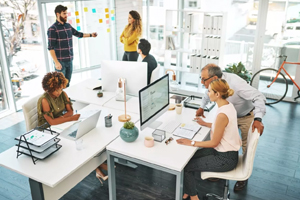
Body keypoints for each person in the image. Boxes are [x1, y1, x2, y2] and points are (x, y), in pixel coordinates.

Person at [196, 63, 266, 191]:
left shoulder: (236, 83)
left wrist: (258, 118)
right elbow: (207, 93)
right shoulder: (214, 84)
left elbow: (258, 96)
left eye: (204, 79)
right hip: (229, 115)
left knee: (246, 146)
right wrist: (202, 107)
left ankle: (242, 177)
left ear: (214, 78)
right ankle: (220, 168)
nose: (202, 82)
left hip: (245, 115)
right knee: (223, 141)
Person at [177, 79, 241, 200]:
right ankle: (188, 190)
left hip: (224, 158)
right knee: (188, 159)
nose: (207, 93)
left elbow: (213, 143)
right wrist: (206, 124)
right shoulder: (228, 106)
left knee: (187, 166)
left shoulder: (222, 114)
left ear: (217, 94)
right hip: (225, 152)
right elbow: (223, 127)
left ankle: (193, 197)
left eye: (209, 91)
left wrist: (191, 142)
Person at [47, 5, 98, 87]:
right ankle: (61, 99)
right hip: (60, 62)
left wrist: (91, 35)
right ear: (58, 14)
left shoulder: (68, 26)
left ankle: (66, 99)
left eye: (66, 13)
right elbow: (50, 48)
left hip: (69, 60)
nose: (66, 15)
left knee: (67, 84)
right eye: (64, 13)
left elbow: (79, 34)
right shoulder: (52, 29)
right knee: (59, 86)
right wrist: (56, 62)